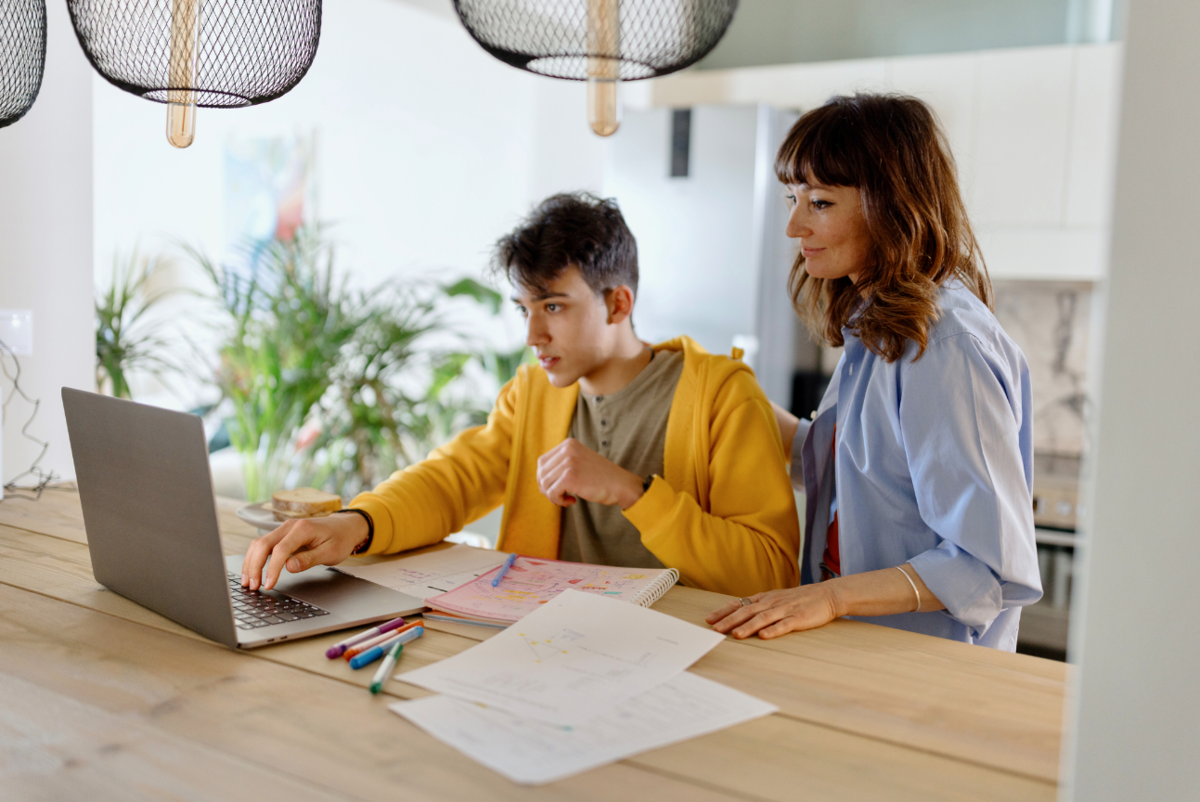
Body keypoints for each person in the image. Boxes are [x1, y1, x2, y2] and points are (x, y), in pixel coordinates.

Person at [240, 192, 800, 598]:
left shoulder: (723, 396)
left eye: (553, 307)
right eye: (525, 311)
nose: (533, 336)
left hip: (689, 653)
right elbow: (450, 481)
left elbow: (769, 573)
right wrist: (356, 526)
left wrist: (632, 492)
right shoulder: (533, 392)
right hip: (550, 644)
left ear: (619, 305)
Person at [708, 94, 1041, 650]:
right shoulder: (879, 327)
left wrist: (831, 597)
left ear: (891, 204)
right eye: (794, 198)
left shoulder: (944, 345)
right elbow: (849, 468)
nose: (793, 225)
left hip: (928, 667)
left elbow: (983, 563)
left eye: (820, 202)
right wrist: (722, 398)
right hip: (866, 648)